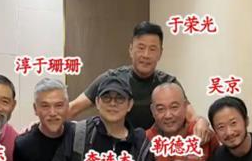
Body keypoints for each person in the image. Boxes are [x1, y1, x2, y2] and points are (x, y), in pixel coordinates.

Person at [68, 21, 210, 139]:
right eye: (141, 48)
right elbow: (73, 108)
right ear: (131, 49)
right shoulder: (111, 79)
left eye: (152, 49)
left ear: (160, 53)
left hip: (151, 151)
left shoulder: (168, 84)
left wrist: (202, 122)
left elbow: (193, 117)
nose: (146, 55)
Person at [146, 82, 220, 161]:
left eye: (174, 107)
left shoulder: (202, 135)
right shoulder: (145, 141)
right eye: (161, 109)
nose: (168, 115)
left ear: (185, 106)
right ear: (152, 111)